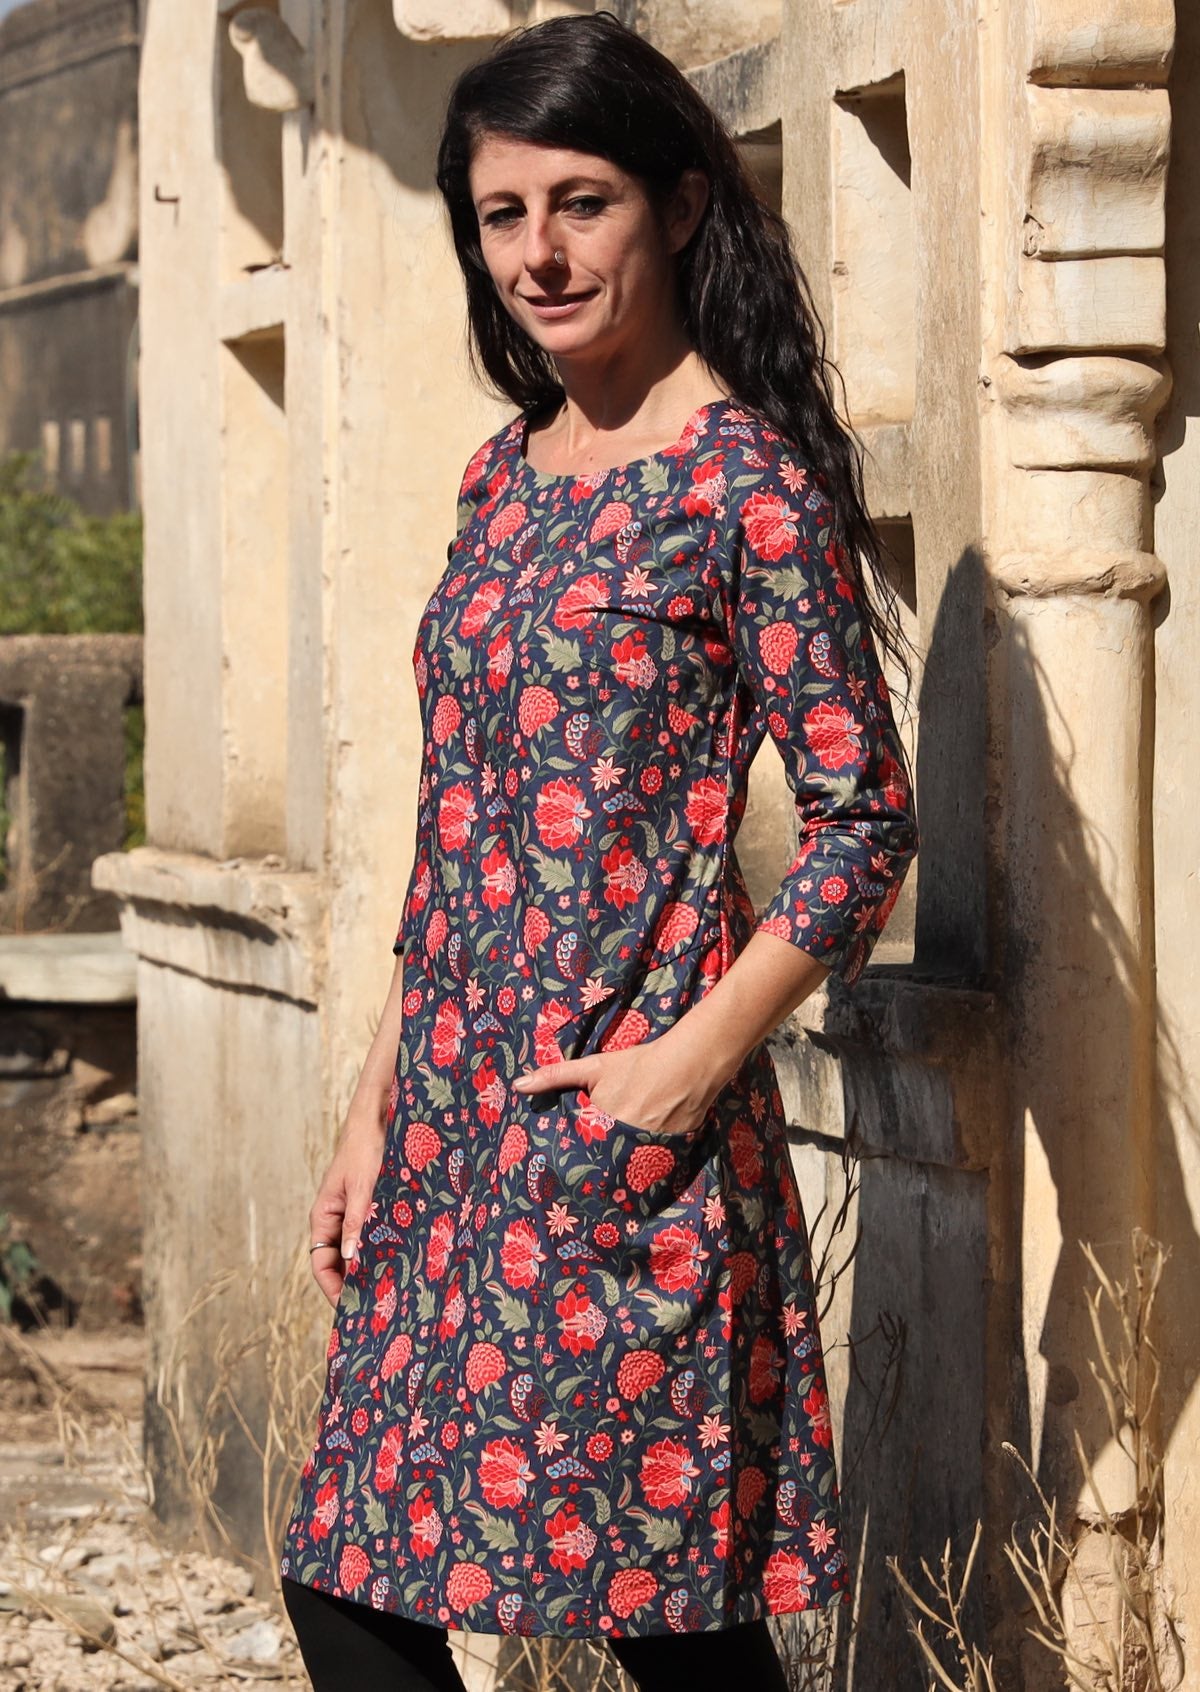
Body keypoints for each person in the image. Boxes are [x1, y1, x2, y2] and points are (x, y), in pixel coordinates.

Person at [278, 11, 919, 1689]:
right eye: (502, 214)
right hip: (446, 1128)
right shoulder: (505, 479)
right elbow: (461, 836)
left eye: (582, 201)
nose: (540, 253)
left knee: (663, 1624)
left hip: (623, 1135)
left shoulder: (742, 484)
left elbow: (866, 823)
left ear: (683, 207)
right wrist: (374, 1103)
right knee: (354, 1575)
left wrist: (688, 1068)